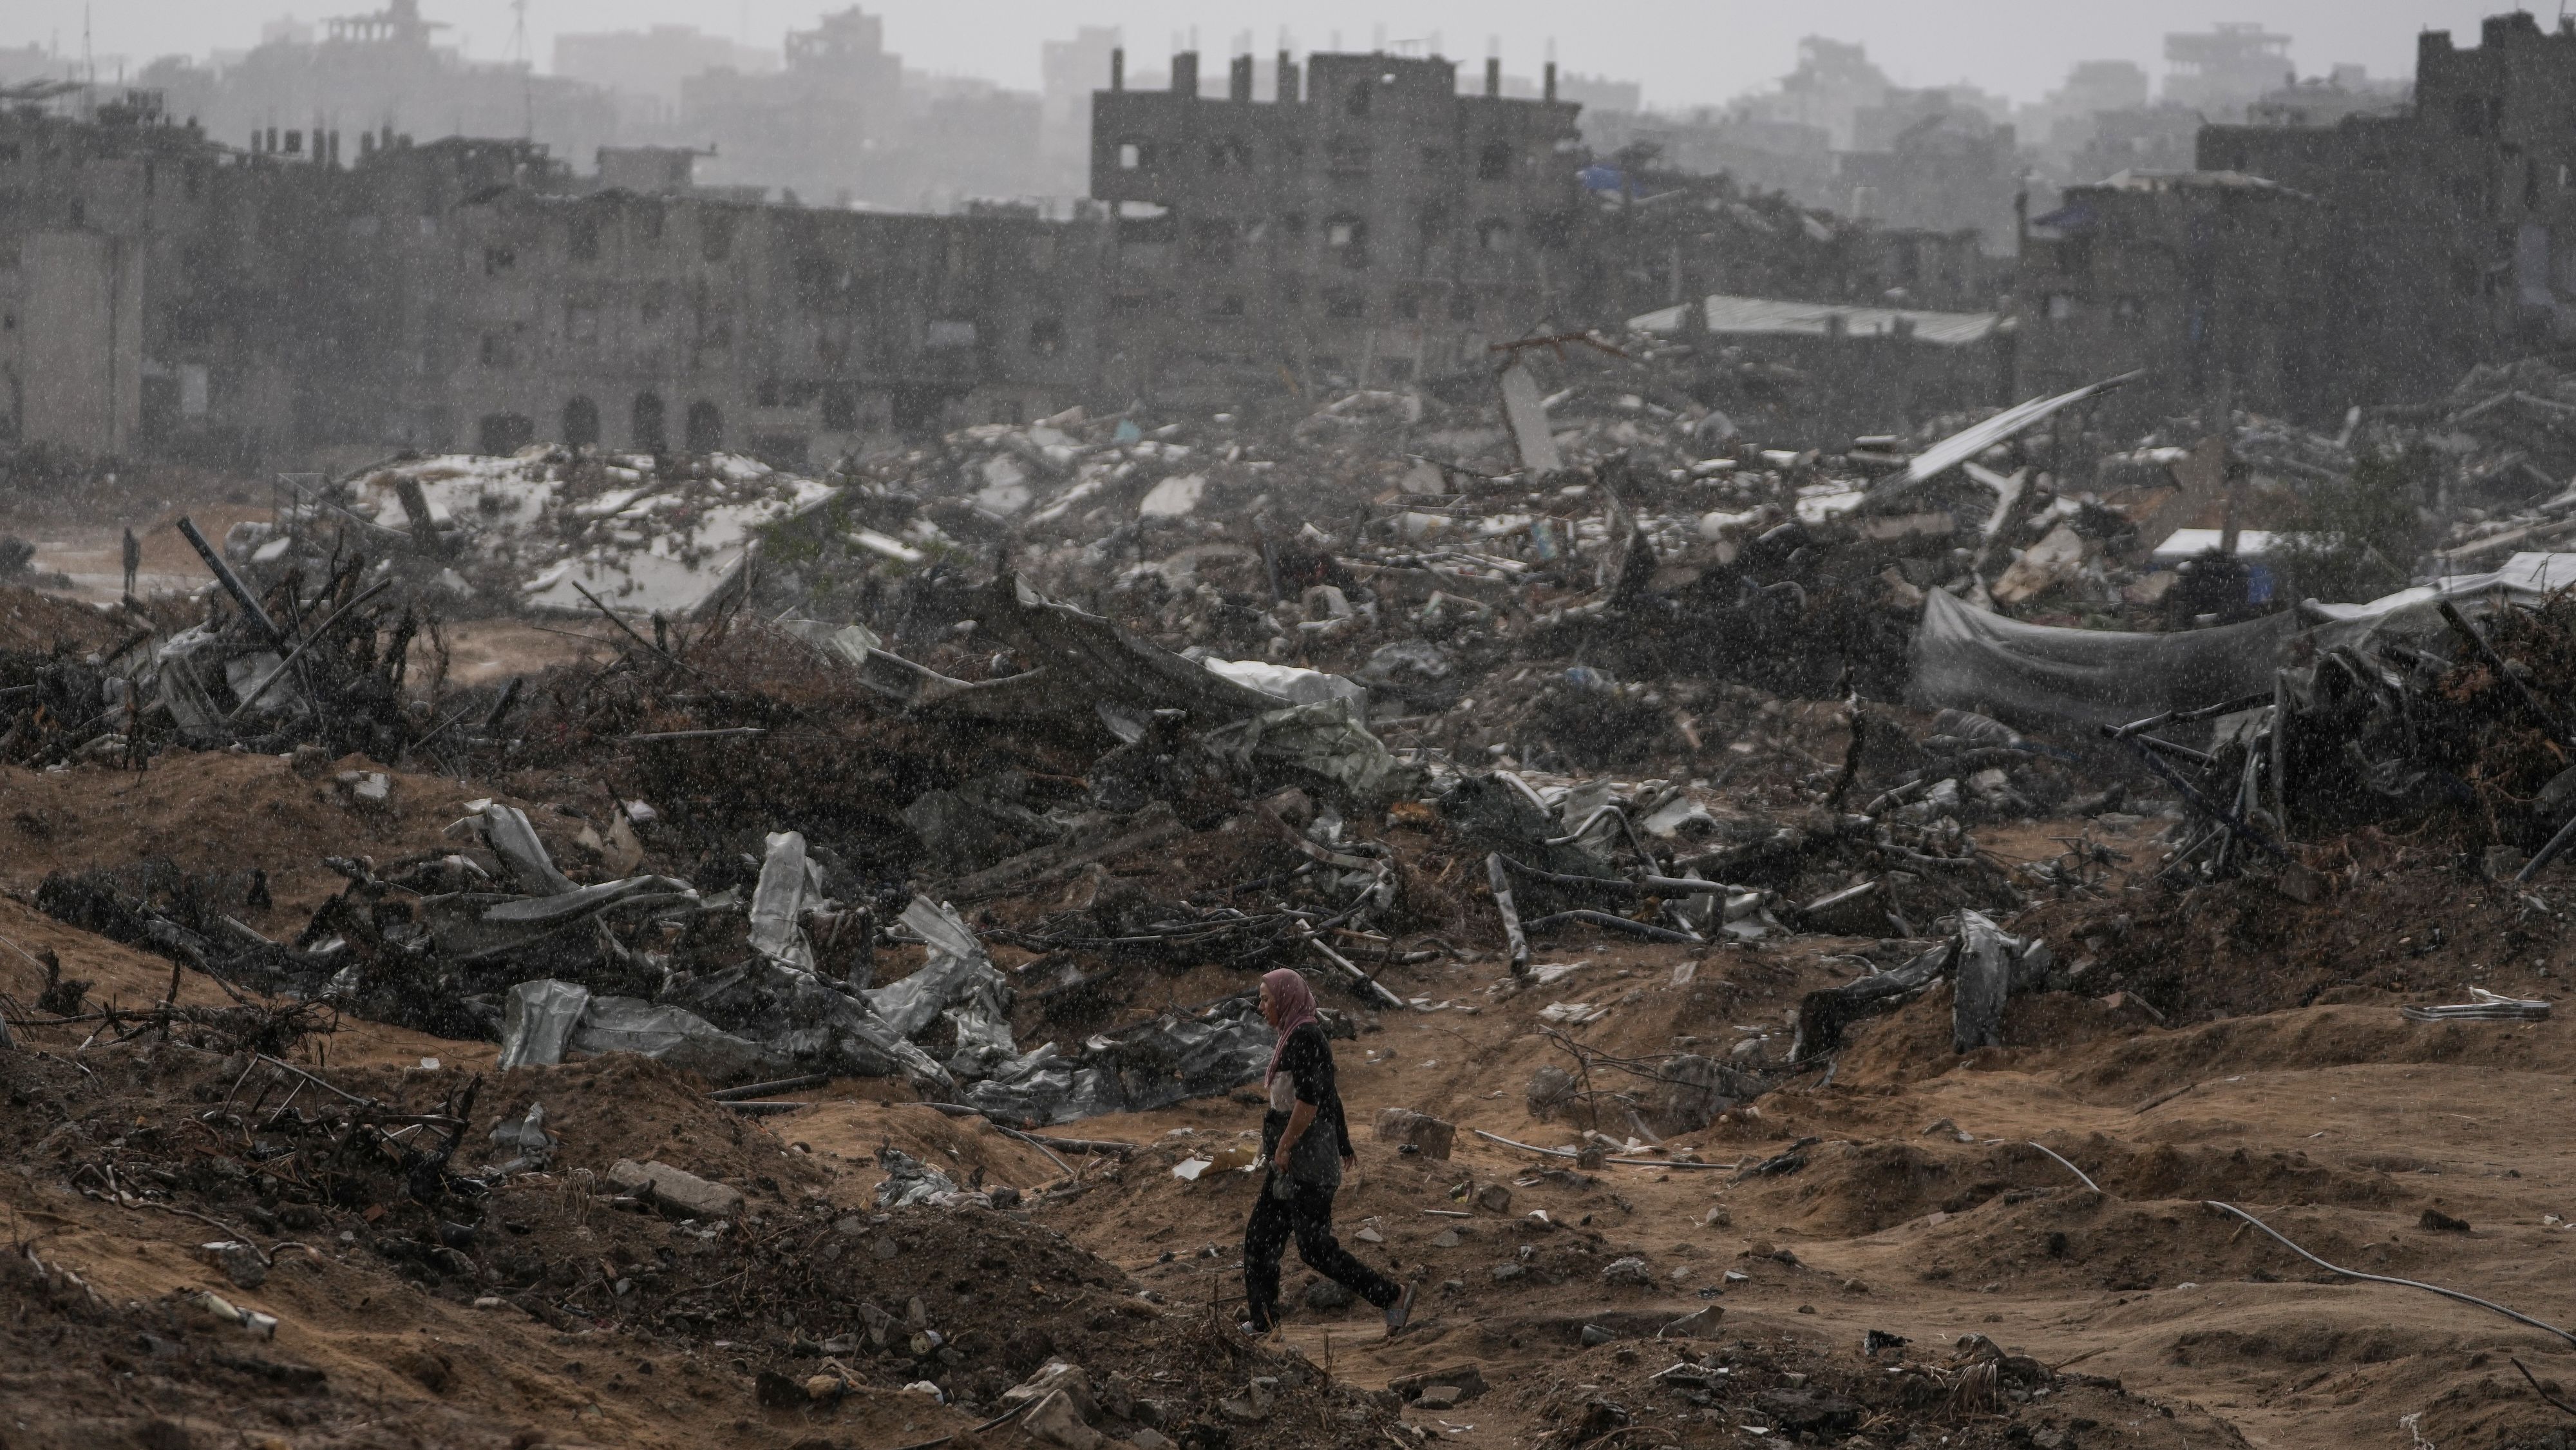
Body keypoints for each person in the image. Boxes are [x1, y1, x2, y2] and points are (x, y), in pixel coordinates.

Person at [1241, 966, 1414, 1337]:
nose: (1261, 1006)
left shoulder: (1304, 1037)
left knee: (1313, 1249)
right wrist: (1344, 1141)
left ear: (1285, 999)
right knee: (1261, 1239)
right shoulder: (1296, 1033)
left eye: (1266, 999)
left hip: (1307, 1165)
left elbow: (1309, 1101)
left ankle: (1392, 1295)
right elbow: (1330, 1093)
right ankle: (1264, 1324)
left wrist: (1285, 1147)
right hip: (1293, 1163)